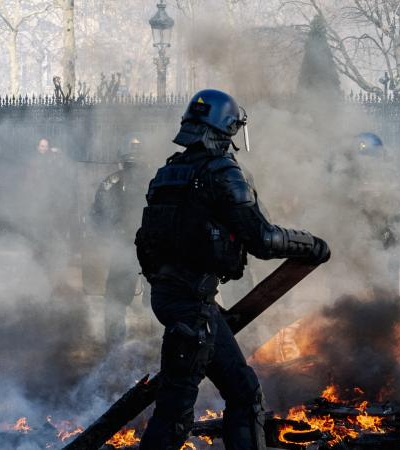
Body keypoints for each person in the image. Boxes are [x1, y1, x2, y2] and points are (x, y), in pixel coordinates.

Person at [135, 89, 331, 450]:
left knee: (244, 392)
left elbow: (154, 243)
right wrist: (312, 244)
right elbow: (262, 239)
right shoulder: (221, 171)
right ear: (227, 128)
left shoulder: (168, 172)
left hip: (177, 299)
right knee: (174, 417)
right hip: (192, 307)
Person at [90, 137, 149, 344]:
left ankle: (114, 346)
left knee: (116, 299)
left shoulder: (111, 182)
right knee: (162, 300)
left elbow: (97, 217)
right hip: (152, 248)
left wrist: (110, 240)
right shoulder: (158, 179)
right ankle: (156, 344)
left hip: (128, 247)